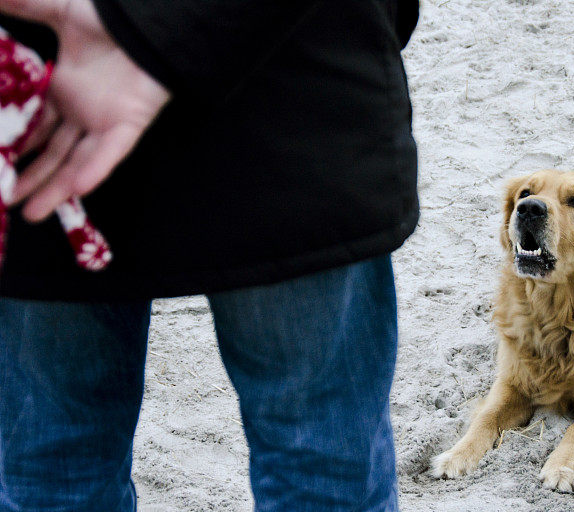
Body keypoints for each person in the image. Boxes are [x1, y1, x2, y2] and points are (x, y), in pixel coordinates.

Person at [0, 0, 419, 510]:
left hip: (51, 91)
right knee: (322, 469)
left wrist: (145, 28)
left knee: (56, 471)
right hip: (292, 88)